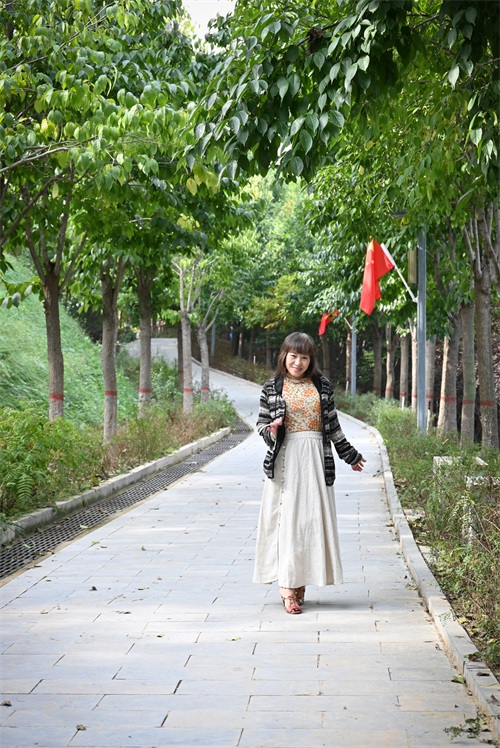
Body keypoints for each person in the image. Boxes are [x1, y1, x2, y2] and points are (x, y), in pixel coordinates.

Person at [254, 331, 366, 614]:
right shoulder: (272, 388)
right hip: (286, 460)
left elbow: (333, 426)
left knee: (310, 521)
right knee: (288, 522)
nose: (298, 362)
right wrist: (272, 430)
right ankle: (287, 588)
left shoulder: (322, 385)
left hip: (317, 459)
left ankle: (299, 580)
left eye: (304, 357)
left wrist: (350, 455)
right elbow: (262, 426)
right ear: (284, 356)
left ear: (311, 359)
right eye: (293, 356)